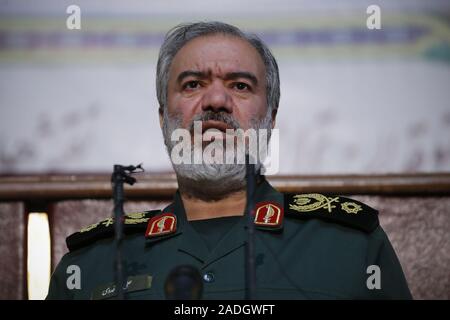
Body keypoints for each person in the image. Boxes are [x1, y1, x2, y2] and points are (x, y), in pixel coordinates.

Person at [46, 21, 412, 300]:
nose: (216, 101)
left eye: (240, 85)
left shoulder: (351, 247)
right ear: (163, 119)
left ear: (270, 117)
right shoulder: (91, 264)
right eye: (192, 84)